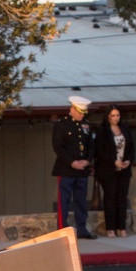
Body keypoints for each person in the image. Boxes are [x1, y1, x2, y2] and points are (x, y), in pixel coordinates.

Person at [51, 95, 96, 239]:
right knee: (63, 201)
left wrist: (87, 161)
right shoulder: (62, 124)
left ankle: (82, 229)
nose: (82, 114)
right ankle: (61, 231)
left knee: (81, 201)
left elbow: (91, 146)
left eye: (84, 112)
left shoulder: (86, 125)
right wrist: (72, 162)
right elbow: (58, 147)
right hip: (66, 169)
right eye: (80, 111)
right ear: (72, 109)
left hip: (82, 170)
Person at [93, 106, 134, 237]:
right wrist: (113, 161)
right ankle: (110, 228)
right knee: (110, 198)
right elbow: (100, 151)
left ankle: (121, 227)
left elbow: (132, 147)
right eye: (113, 115)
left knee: (122, 198)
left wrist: (129, 161)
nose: (116, 118)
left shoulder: (125, 129)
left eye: (117, 115)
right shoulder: (102, 131)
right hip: (108, 170)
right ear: (108, 116)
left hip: (124, 170)